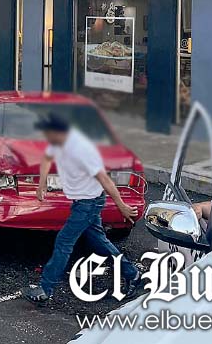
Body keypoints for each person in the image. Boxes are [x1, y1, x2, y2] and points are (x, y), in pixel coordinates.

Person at [21, 113, 139, 304]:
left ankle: (45, 289)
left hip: (89, 202)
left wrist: (122, 206)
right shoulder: (57, 141)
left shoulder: (82, 150)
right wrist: (41, 184)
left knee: (64, 241)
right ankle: (132, 274)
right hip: (82, 201)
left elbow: (105, 179)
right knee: (99, 242)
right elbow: (47, 158)